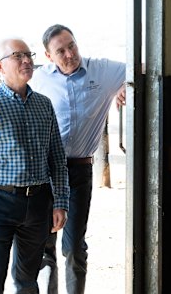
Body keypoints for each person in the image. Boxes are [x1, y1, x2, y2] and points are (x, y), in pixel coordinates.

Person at [29, 24, 126, 294]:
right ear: (49, 56)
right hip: (44, 172)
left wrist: (124, 87)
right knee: (44, 244)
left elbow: (141, 67)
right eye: (60, 51)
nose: (69, 54)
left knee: (73, 246)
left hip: (79, 173)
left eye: (71, 45)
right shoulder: (38, 80)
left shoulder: (102, 70)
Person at [0, 38, 70, 294]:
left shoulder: (44, 104)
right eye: (18, 56)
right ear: (0, 66)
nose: (27, 60)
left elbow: (57, 158)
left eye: (28, 54)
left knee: (28, 281)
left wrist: (61, 202)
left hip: (38, 203)